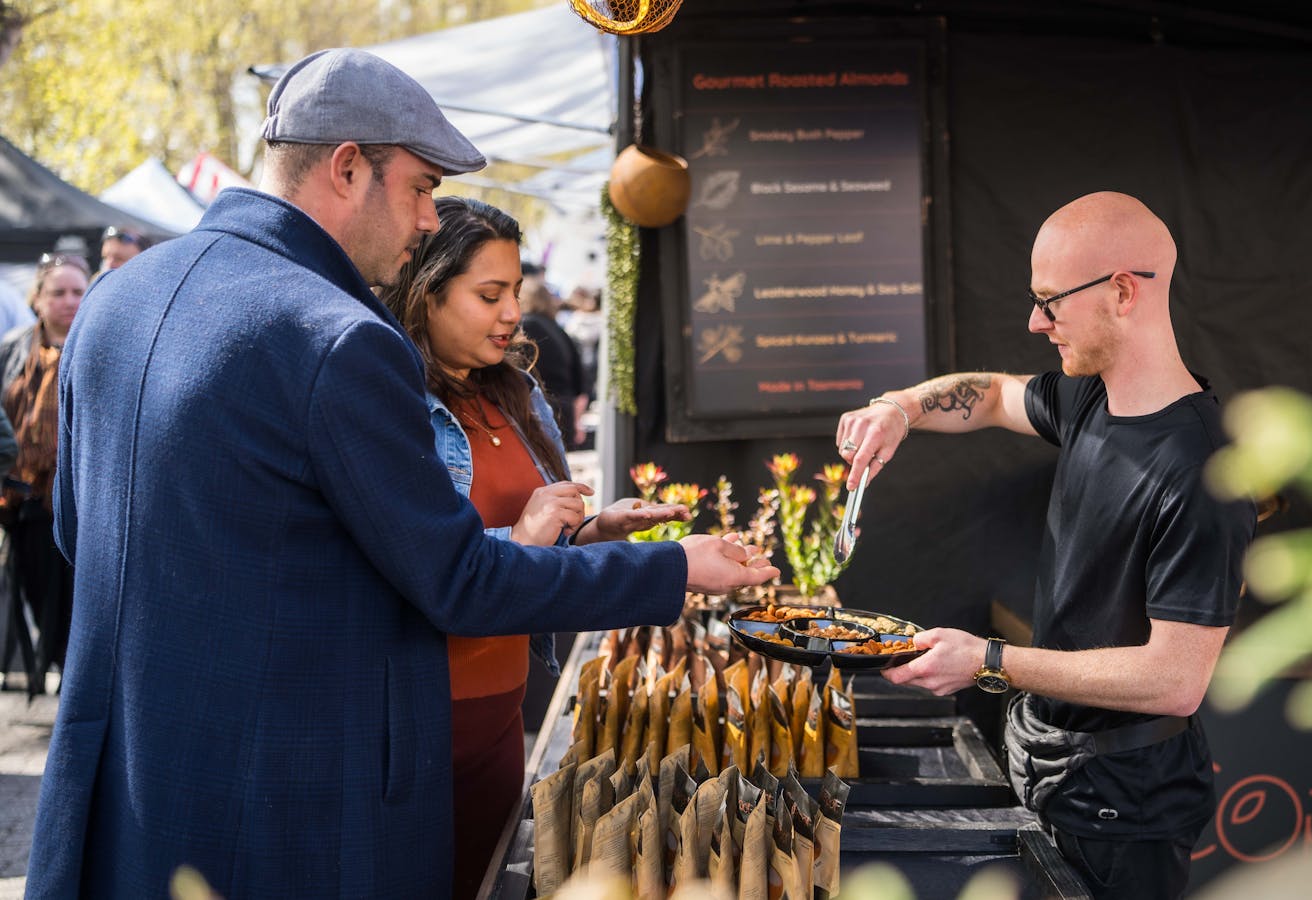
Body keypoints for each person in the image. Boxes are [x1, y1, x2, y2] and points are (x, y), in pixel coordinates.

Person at [27, 47, 776, 899]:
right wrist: (676, 566)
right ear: (349, 167)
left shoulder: (115, 301)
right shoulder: (339, 338)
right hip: (287, 812)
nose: (428, 218)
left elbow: (77, 535)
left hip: (130, 796)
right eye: (420, 187)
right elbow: (456, 579)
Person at [836, 192, 1255, 900]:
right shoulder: (1090, 398)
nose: (1035, 322)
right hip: (1052, 773)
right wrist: (901, 408)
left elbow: (1175, 679)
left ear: (1122, 292)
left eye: (1051, 301)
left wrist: (989, 661)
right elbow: (995, 395)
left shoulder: (1202, 473)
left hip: (1125, 813)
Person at [380, 197, 691, 898]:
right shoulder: (388, 400)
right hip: (414, 721)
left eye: (515, 291)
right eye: (489, 294)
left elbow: (540, 534)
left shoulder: (514, 389)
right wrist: (516, 538)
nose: (512, 313)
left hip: (501, 715)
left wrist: (592, 530)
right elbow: (411, 560)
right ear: (425, 293)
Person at [0, 252, 88, 695]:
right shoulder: (12, 349)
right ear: (37, 298)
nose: (69, 301)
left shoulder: (99, 342)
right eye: (58, 292)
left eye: (78, 291)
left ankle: (77, 689)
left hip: (84, 503)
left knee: (80, 610)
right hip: (27, 503)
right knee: (38, 597)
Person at [517, 271, 589, 449]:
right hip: (565, 411)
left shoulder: (526, 327)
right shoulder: (559, 330)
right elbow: (581, 383)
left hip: (540, 412)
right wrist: (576, 420)